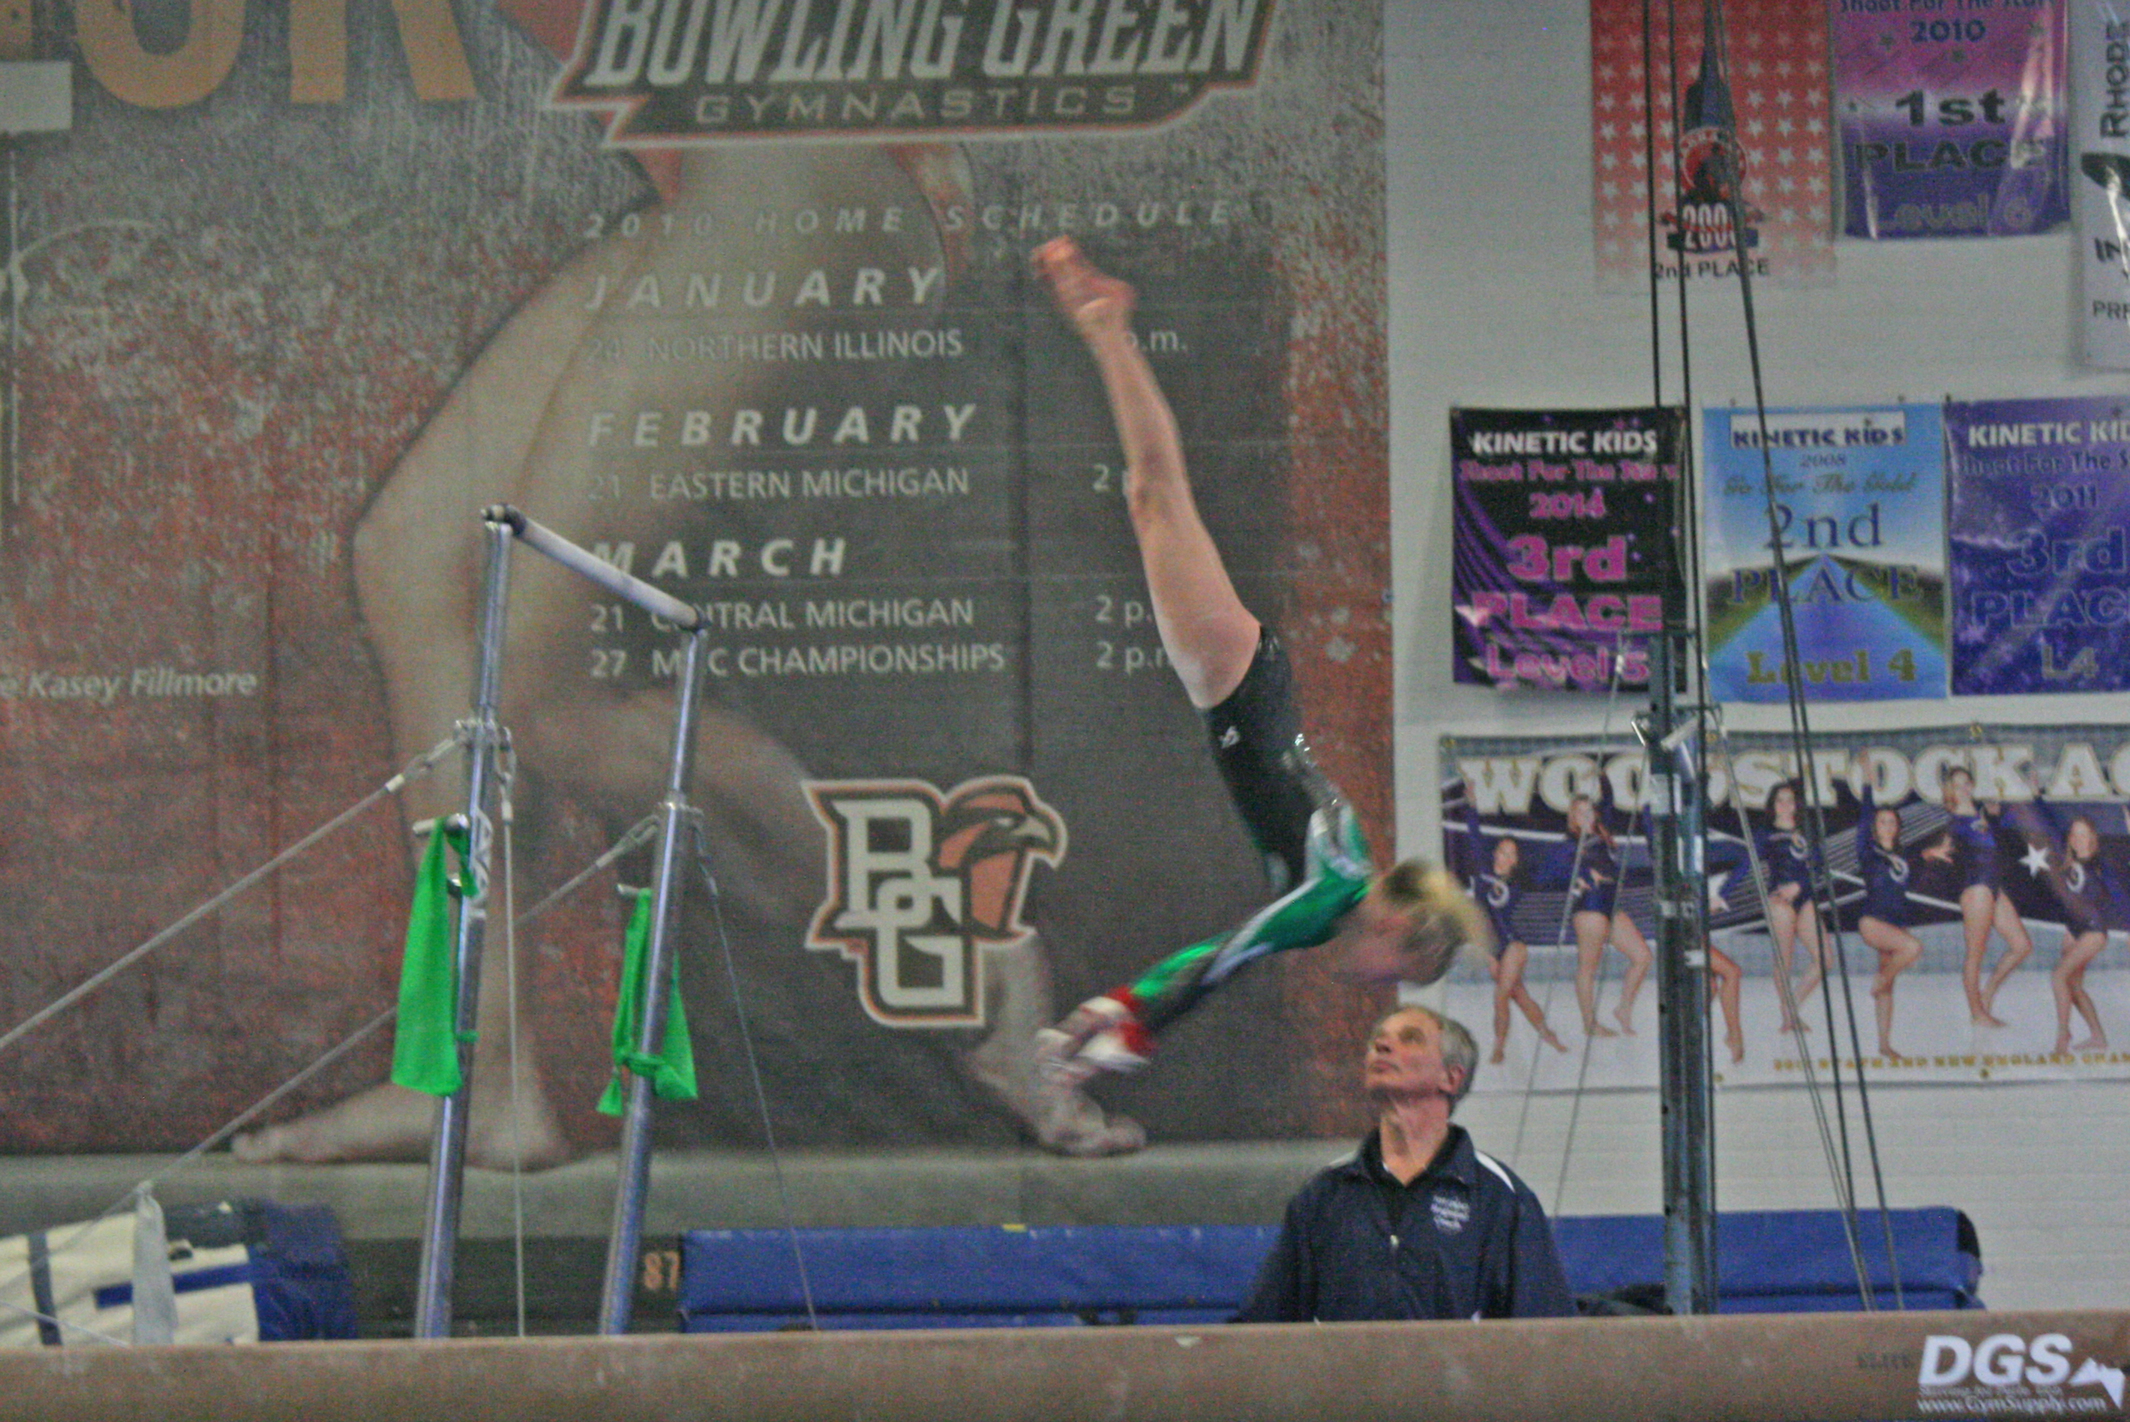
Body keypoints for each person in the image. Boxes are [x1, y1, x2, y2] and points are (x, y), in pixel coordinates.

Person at [1029, 237, 1486, 1156]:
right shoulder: (1333, 892)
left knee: (1154, 496)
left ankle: (1107, 328)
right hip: (1238, 689)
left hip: (1243, 687)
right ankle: (1107, 326)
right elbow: (1229, 954)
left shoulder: (1345, 880)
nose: (1371, 983)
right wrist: (1122, 1021)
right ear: (1398, 929)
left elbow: (1222, 957)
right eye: (1390, 972)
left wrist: (1118, 1017)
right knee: (1156, 495)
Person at [1233, 1006, 1576, 1322]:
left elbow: (1547, 1331)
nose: (1381, 1045)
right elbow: (1263, 1326)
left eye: (1410, 1038)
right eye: (1378, 1040)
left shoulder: (1499, 1197)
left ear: (1451, 1078)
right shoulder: (1325, 1194)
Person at [1452, 789, 1567, 1063]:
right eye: (1501, 851)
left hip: (1513, 946)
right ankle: (1548, 1035)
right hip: (1493, 948)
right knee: (1520, 996)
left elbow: (1500, 899)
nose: (1502, 857)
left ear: (1515, 861)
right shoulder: (1483, 871)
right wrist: (1472, 805)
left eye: (1509, 854)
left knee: (1501, 994)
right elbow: (1474, 836)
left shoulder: (1515, 885)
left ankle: (1499, 1047)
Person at [1922, 764, 2032, 1028]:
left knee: (2022, 946)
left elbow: (2002, 830)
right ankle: (1977, 1014)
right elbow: (1934, 850)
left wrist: (1997, 814)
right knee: (1975, 953)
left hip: (1993, 887)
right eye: (1956, 785)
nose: (1963, 788)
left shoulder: (1983, 812)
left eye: (1966, 783)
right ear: (1950, 790)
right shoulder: (1954, 822)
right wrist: (1931, 852)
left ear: (1972, 785)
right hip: (1976, 889)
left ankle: (1988, 993)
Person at [1550, 784, 1651, 1039]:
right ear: (1572, 817)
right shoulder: (1571, 842)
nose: (1586, 817)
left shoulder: (1602, 833)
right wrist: (1582, 875)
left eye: (1589, 811)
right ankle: (1589, 1024)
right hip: (1590, 908)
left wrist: (1603, 777)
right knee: (1588, 968)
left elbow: (1608, 799)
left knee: (1642, 956)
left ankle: (1623, 1008)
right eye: (1580, 813)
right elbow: (1548, 872)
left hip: (1611, 904)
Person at [1851, 768, 1924, 1061]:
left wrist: (1930, 855)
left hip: (1896, 924)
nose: (1887, 825)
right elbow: (1864, 816)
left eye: (1892, 821)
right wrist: (1868, 784)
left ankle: (1884, 1044)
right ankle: (1880, 980)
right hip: (1872, 921)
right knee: (1913, 948)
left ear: (1898, 827)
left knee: (1888, 986)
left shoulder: (1903, 855)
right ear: (1875, 827)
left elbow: (1912, 868)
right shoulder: (1867, 851)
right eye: (1882, 821)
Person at [1756, 781, 1829, 1035]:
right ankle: (1789, 1016)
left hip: (1804, 897)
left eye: (1790, 800)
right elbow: (1745, 864)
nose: (1785, 805)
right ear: (1772, 805)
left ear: (1796, 804)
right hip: (1779, 900)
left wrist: (1799, 885)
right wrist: (1722, 895)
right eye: (1780, 800)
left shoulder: (1807, 832)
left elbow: (1819, 868)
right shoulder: (1766, 833)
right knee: (1784, 960)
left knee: (1825, 959)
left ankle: (1790, 1007)